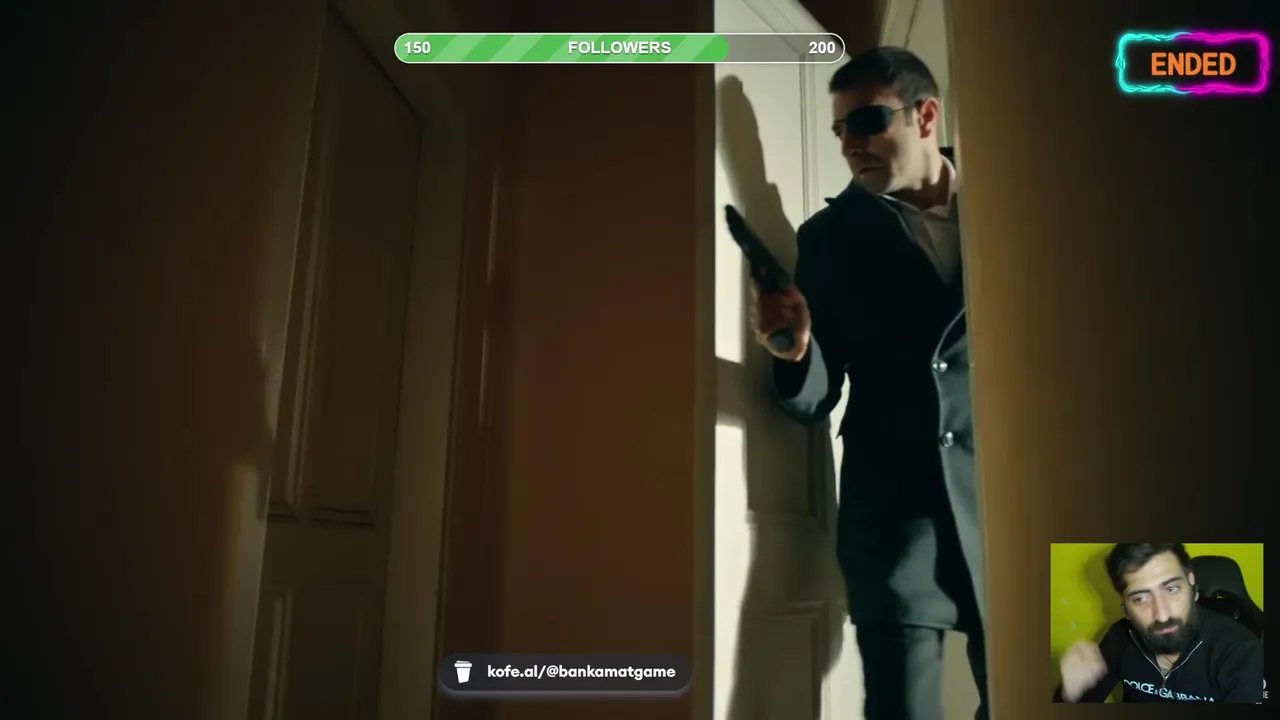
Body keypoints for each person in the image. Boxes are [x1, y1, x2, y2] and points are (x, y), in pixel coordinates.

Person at [749, 47, 987, 719]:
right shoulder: (829, 238)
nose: (849, 145)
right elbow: (817, 393)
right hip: (895, 525)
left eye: (867, 122)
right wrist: (794, 348)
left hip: (1013, 506)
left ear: (925, 116)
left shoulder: (1012, 204)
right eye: (839, 130)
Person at [1055, 543, 1264, 703]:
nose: (1162, 615)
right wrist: (1068, 694)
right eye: (1140, 598)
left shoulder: (1241, 652)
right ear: (1126, 606)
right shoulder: (1119, 638)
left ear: (1191, 583)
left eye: (1171, 589)